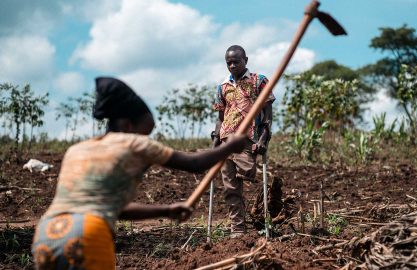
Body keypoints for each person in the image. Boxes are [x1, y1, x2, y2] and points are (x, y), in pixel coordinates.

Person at [31, 77, 247, 269]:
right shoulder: (134, 143)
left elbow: (115, 208)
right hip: (89, 232)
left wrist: (166, 210)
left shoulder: (76, 150)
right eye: (145, 131)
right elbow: (195, 164)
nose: (145, 137)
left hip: (46, 234)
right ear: (127, 124)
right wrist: (229, 147)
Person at [212, 45, 274, 237]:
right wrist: (215, 140)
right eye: (228, 63)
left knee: (247, 171)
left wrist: (264, 138)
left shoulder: (259, 81)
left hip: (247, 138)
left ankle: (260, 214)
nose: (232, 66)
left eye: (236, 62)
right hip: (225, 140)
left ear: (245, 60)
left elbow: (268, 115)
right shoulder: (223, 87)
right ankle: (237, 229)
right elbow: (221, 116)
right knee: (230, 188)